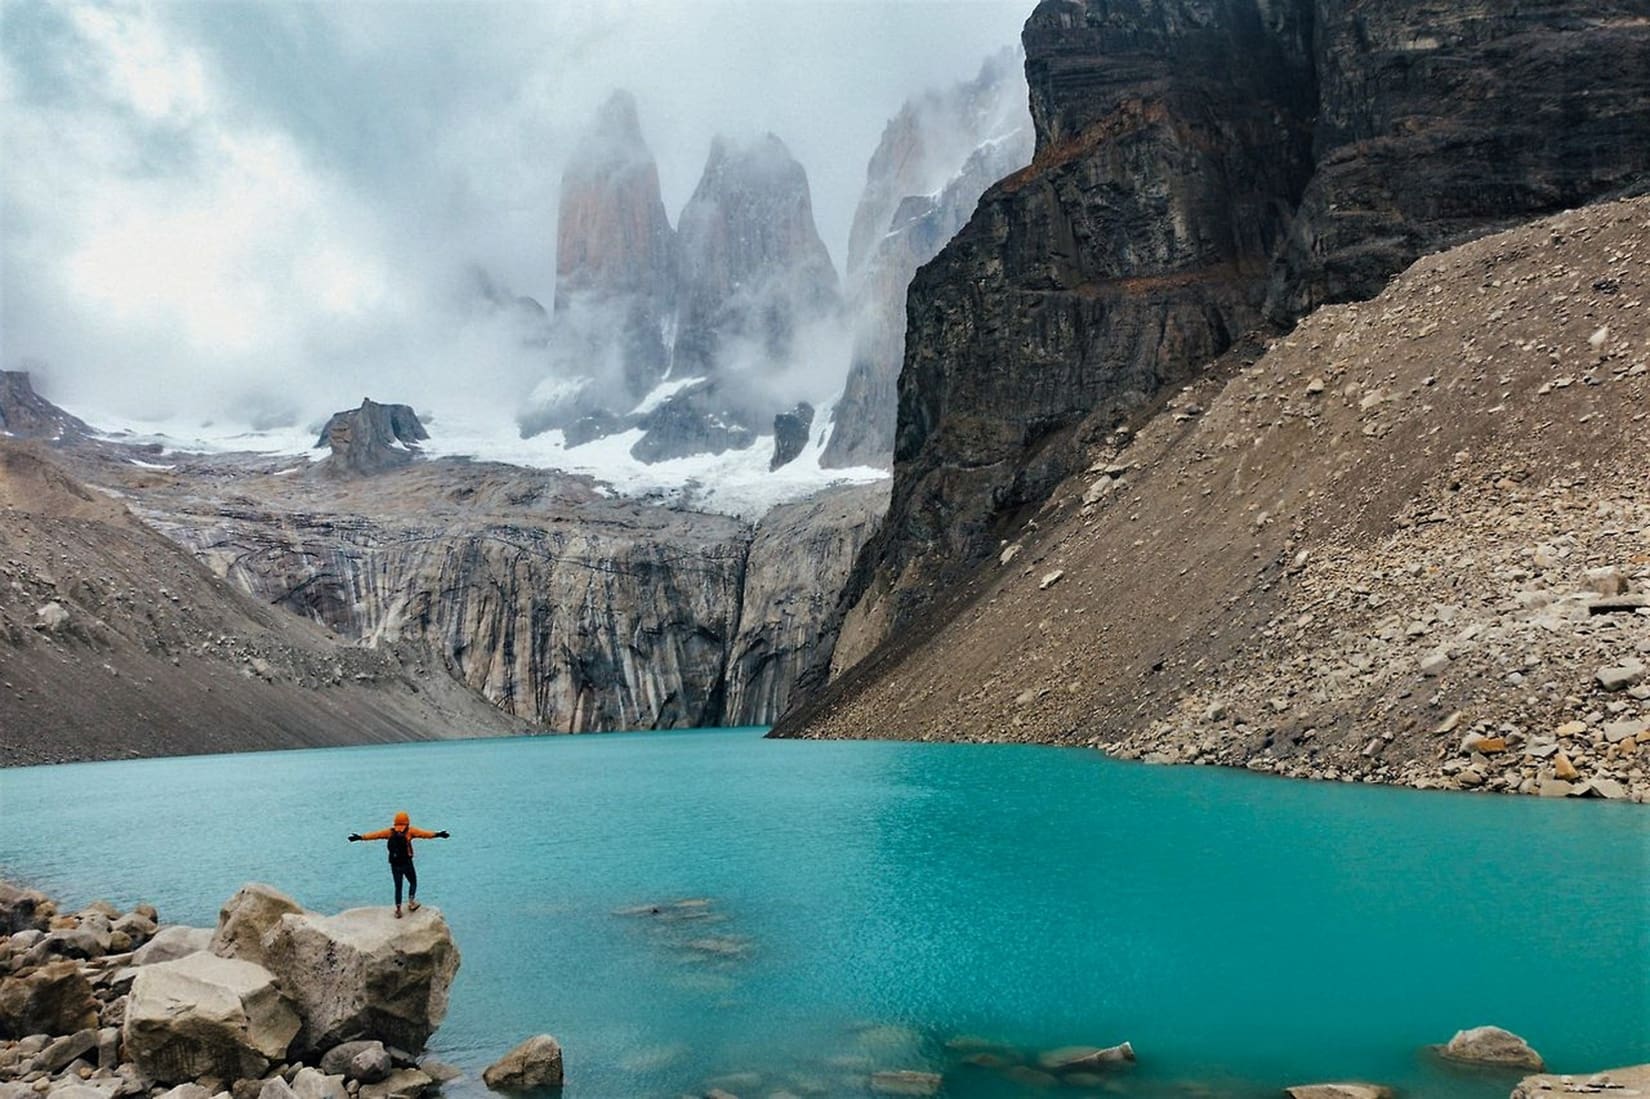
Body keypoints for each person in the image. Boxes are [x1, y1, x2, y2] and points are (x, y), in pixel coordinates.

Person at [348, 811, 450, 918]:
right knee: (413, 882)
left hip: (394, 863)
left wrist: (360, 837)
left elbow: (375, 835)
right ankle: (411, 902)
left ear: (395, 822)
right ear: (407, 822)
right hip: (407, 862)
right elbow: (425, 834)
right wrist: (439, 834)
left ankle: (398, 910)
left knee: (398, 886)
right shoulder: (410, 831)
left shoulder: (389, 832)